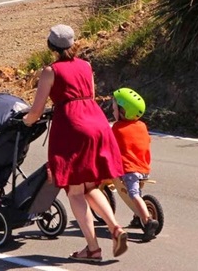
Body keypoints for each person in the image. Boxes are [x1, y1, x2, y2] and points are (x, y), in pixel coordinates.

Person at [21, 24, 127, 261]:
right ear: (73, 44)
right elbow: (86, 93)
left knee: (75, 191)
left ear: (51, 46)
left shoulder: (50, 71)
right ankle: (115, 228)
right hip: (96, 123)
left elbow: (37, 110)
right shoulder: (86, 66)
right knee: (90, 186)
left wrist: (27, 122)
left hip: (72, 127)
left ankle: (93, 249)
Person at [111, 87, 160, 242]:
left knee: (134, 195)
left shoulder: (118, 128)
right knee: (136, 191)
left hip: (130, 170)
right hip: (144, 168)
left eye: (114, 108)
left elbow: (109, 145)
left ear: (123, 111)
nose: (112, 111)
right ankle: (137, 218)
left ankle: (147, 221)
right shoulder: (142, 126)